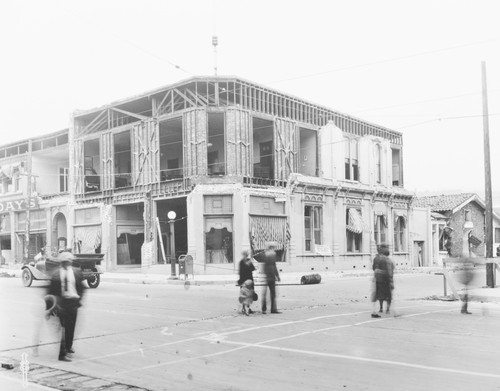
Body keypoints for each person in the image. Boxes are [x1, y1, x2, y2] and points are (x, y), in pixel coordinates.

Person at [47, 251, 85, 362]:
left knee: (71, 327)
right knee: (64, 328)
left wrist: (79, 300)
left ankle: (68, 347)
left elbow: (82, 288)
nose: (67, 264)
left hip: (73, 303)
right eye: (64, 262)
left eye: (68, 262)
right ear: (61, 262)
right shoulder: (56, 275)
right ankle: (62, 354)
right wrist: (49, 309)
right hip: (62, 304)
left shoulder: (77, 272)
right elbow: (50, 292)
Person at [371, 243, 394, 318]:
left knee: (379, 294)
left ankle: (380, 308)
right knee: (388, 294)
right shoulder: (388, 260)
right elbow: (390, 271)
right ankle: (387, 309)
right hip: (385, 279)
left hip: (378, 279)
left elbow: (374, 268)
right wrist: (390, 281)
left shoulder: (377, 258)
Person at [261, 242, 281, 314]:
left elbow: (273, 265)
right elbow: (273, 266)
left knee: (269, 293)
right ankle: (270, 309)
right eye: (272, 247)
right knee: (271, 293)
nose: (273, 248)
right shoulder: (270, 254)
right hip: (269, 276)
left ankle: (266, 309)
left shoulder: (266, 254)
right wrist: (277, 275)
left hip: (269, 276)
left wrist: (277, 275)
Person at [238, 250, 256, 315]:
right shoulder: (242, 262)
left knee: (248, 295)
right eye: (244, 255)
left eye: (245, 255)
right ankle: (244, 308)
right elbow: (241, 272)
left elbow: (252, 269)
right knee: (245, 295)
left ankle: (246, 308)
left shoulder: (244, 262)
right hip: (245, 281)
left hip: (247, 281)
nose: (245, 256)